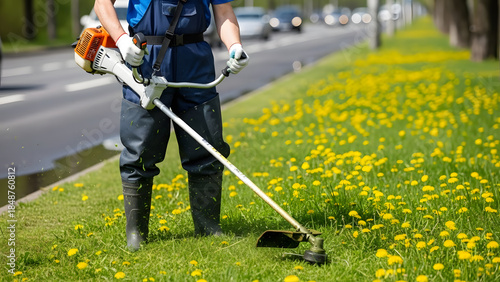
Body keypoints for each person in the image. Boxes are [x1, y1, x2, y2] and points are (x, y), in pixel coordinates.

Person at [94, 0, 249, 251]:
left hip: (195, 60)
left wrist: (235, 46)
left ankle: (208, 229)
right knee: (139, 152)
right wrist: (122, 40)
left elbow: (224, 11)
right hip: (145, 57)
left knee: (207, 147)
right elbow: (101, 3)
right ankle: (137, 235)